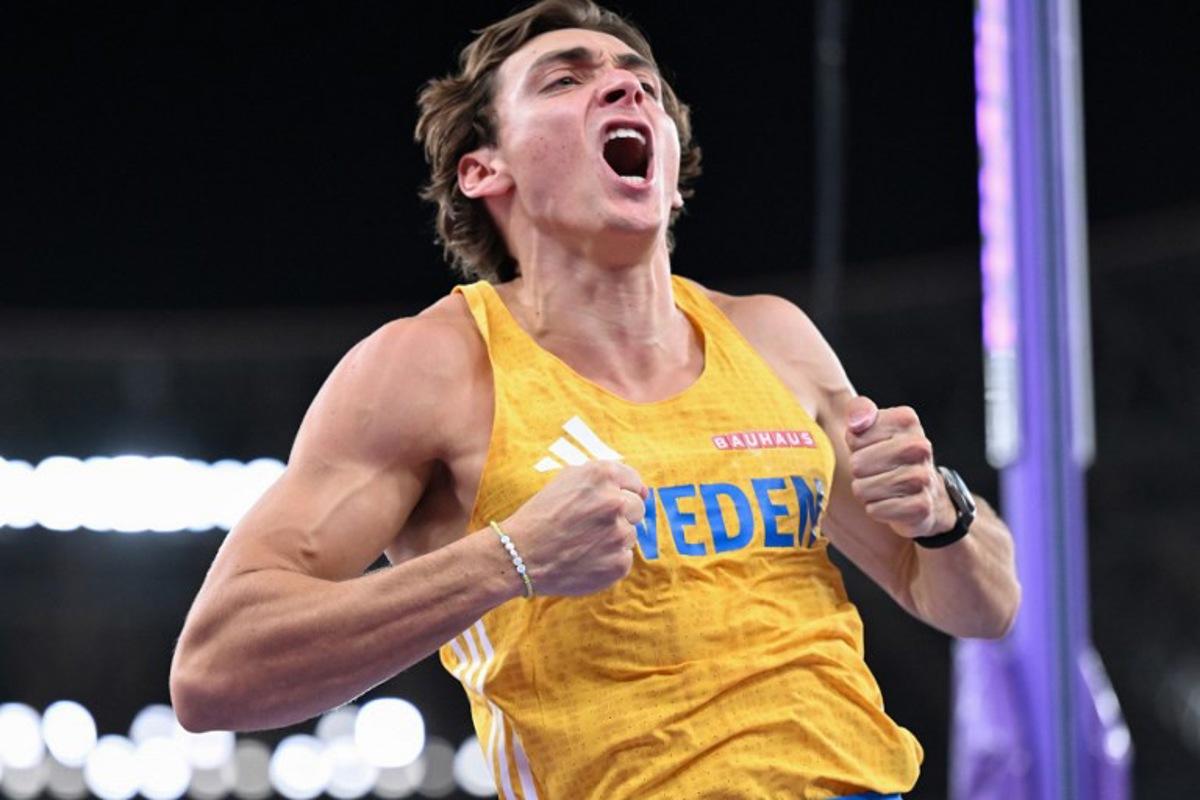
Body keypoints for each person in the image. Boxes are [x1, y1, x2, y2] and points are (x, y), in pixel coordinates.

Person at [169, 1, 1021, 797]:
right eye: (566, 79)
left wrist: (942, 513)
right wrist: (509, 561)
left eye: (640, 80)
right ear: (481, 169)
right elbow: (215, 671)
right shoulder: (431, 367)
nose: (627, 86)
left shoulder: (772, 339)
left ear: (673, 178)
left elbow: (980, 604)